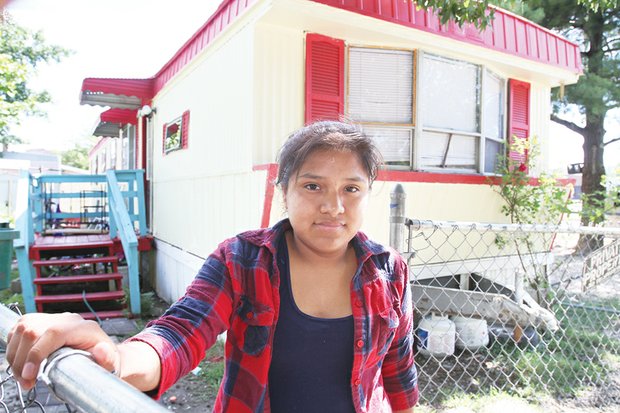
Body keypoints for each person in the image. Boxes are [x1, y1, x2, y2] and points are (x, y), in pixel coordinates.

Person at [7, 120, 419, 412]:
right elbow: (180, 331)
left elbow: (398, 371)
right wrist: (113, 357)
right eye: (313, 186)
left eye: (352, 189)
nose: (333, 206)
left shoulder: (389, 270)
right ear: (284, 192)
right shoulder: (241, 260)